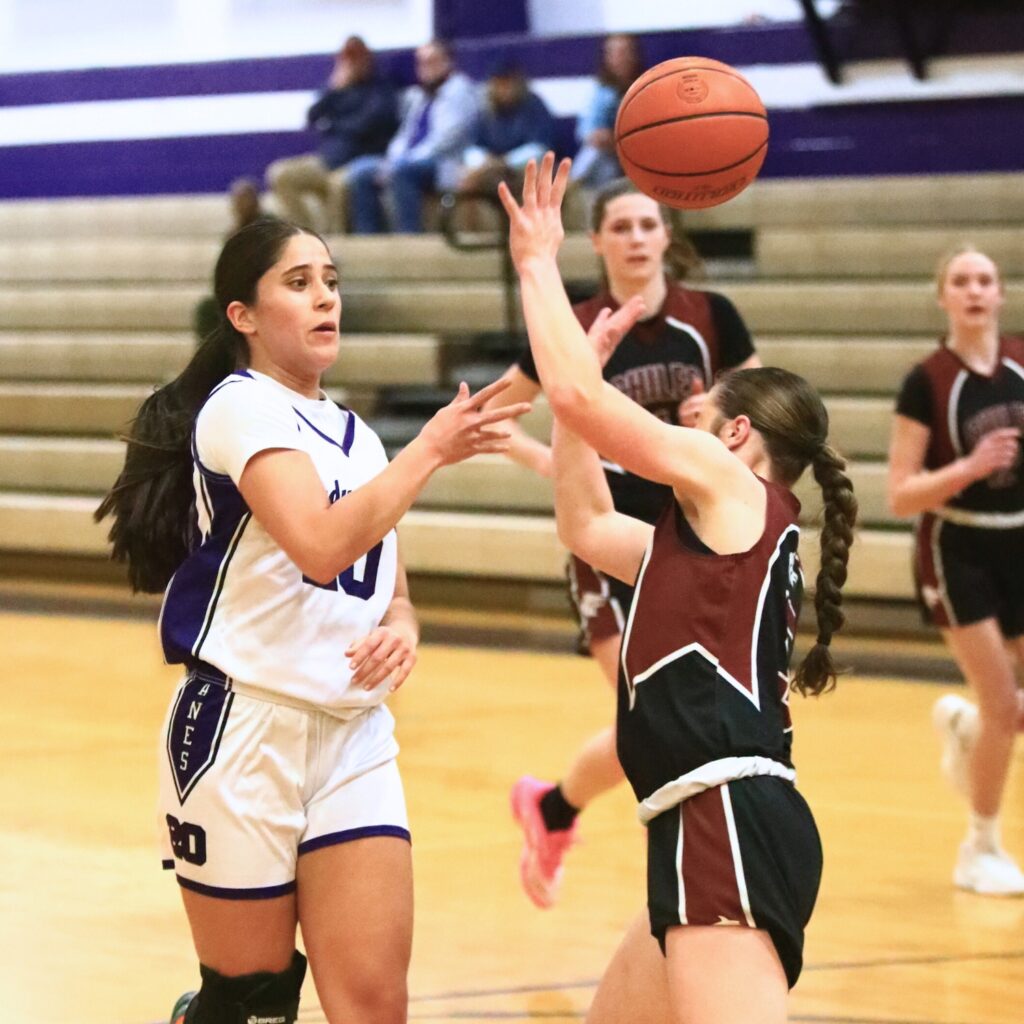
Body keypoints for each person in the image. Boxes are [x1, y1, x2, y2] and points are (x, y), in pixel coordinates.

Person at [94, 218, 529, 1024]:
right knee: (252, 1003)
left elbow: (387, 586)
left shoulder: (358, 434)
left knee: (372, 1004)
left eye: (329, 280)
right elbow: (323, 546)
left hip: (354, 735)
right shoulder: (239, 409)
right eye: (298, 283)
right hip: (241, 728)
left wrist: (404, 628)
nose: (325, 297)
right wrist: (429, 450)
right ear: (243, 316)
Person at [497, 153, 857, 1023]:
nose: (681, 418)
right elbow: (584, 525)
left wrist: (538, 265)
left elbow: (583, 400)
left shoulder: (731, 484)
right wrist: (575, 384)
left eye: (697, 412)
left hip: (723, 817)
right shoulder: (709, 536)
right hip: (700, 820)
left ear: (735, 432)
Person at [492, 175, 759, 909]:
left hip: (693, 532)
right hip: (606, 535)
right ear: (598, 240)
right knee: (650, 711)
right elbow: (497, 414)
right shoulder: (571, 321)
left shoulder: (712, 316)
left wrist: (728, 416)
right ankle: (677, 872)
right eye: (623, 226)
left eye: (650, 224)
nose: (638, 238)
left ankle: (551, 809)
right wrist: (545, 457)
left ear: (669, 236)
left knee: (663, 713)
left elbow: (767, 419)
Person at [888, 245, 1024, 896]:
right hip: (958, 547)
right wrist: (970, 468)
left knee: (1005, 714)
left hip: (1019, 541)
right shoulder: (928, 380)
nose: (974, 290)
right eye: (961, 281)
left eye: (985, 280)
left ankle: (967, 731)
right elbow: (900, 493)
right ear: (942, 297)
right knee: (1004, 702)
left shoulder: (1022, 362)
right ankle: (980, 847)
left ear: (1000, 294)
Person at [265, 36, 398, 234]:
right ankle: (305, 237)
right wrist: (333, 89)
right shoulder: (337, 89)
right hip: (326, 160)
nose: (351, 65)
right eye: (346, 60)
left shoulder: (379, 89)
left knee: (338, 186)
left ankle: (335, 247)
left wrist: (333, 124)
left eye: (356, 59)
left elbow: (365, 125)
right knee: (280, 174)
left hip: (357, 161)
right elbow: (312, 116)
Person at [347, 39, 477, 234]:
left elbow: (445, 140)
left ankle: (409, 238)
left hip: (448, 165)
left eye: (432, 61)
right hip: (409, 161)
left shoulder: (459, 91)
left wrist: (401, 163)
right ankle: (369, 240)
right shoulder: (419, 95)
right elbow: (404, 135)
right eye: (421, 63)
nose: (425, 68)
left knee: (402, 171)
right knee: (361, 171)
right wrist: (393, 160)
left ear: (447, 62)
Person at [455, 59, 556, 209]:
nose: (504, 88)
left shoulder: (534, 105)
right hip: (489, 168)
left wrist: (506, 161)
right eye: (499, 83)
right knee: (467, 177)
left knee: (539, 174)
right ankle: (471, 231)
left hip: (521, 167)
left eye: (508, 83)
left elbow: (540, 147)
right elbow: (471, 148)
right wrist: (485, 161)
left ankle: (533, 227)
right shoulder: (484, 109)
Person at [570, 34, 644, 190]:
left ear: (635, 55)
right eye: (613, 53)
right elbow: (585, 131)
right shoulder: (600, 90)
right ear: (606, 57)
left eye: (624, 52)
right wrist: (599, 136)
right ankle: (570, 188)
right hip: (609, 156)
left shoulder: (647, 86)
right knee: (594, 154)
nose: (620, 58)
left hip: (641, 154)